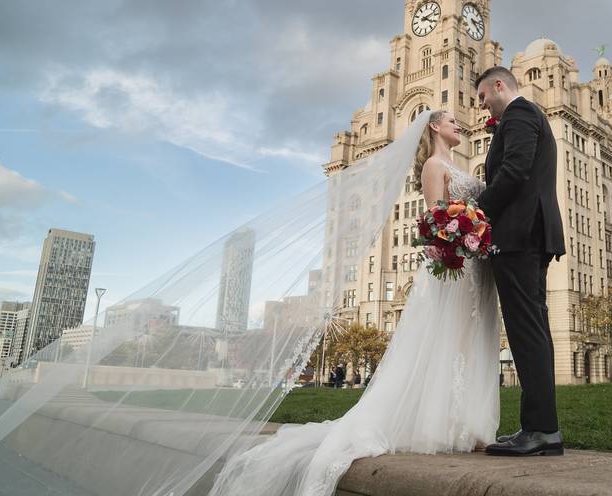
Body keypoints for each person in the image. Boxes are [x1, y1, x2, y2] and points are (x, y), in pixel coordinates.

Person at [209, 110, 500, 496]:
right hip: (453, 266)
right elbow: (435, 222)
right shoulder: (433, 164)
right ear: (433, 127)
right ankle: (450, 423)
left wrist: (476, 232)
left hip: (472, 264)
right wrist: (460, 239)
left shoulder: (453, 162)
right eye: (451, 121)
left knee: (468, 342)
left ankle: (467, 424)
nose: (458, 125)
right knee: (444, 342)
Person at [475, 66, 566, 457]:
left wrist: (476, 213)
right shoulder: (518, 118)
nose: (482, 106)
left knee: (527, 331)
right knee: (531, 330)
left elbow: (515, 172)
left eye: (482, 97)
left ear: (500, 85)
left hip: (519, 235)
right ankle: (538, 427)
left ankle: (543, 430)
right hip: (526, 234)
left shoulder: (521, 114)